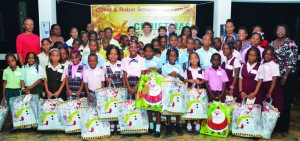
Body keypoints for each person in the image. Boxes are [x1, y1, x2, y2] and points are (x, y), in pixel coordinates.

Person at [270, 23, 298, 132]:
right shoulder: (273, 43)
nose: (280, 31)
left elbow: (291, 62)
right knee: (276, 101)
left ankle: (283, 126)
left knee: (285, 101)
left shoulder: (291, 43)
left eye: (283, 30)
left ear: (286, 31)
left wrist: (285, 76)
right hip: (275, 77)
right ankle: (274, 125)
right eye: (278, 30)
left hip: (286, 78)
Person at [161, 48, 184, 136]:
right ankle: (169, 125)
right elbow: (162, 78)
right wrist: (169, 75)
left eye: (174, 55)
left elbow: (183, 79)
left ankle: (177, 125)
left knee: (177, 106)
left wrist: (178, 75)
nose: (172, 57)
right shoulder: (164, 67)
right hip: (168, 91)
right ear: (167, 56)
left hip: (178, 90)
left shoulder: (179, 67)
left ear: (177, 57)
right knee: (169, 107)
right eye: (171, 55)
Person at [143, 44, 162, 138]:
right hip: (147, 86)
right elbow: (141, 73)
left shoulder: (158, 60)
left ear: (153, 52)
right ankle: (151, 125)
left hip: (157, 87)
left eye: (150, 51)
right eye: (146, 51)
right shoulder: (143, 61)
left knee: (157, 107)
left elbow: (162, 72)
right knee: (148, 106)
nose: (148, 53)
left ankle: (158, 127)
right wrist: (147, 70)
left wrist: (157, 70)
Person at [184, 52, 204, 135]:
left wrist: (200, 82)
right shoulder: (187, 70)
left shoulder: (201, 70)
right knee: (190, 107)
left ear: (198, 59)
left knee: (198, 107)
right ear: (189, 60)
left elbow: (203, 80)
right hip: (189, 92)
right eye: (191, 58)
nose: (194, 60)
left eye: (195, 58)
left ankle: (198, 124)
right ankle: (189, 123)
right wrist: (189, 80)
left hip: (199, 92)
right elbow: (184, 80)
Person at [261, 47, 284, 111]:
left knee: (272, 107)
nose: (267, 56)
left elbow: (274, 80)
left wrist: (269, 92)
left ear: (272, 56)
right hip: (263, 86)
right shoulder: (262, 63)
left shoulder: (274, 65)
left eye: (269, 54)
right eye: (266, 54)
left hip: (271, 87)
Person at [2, 53, 21, 131]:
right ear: (7, 62)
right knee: (10, 108)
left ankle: (19, 123)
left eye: (12, 60)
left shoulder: (21, 70)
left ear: (16, 60)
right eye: (9, 61)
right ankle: (12, 124)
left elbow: (22, 81)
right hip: (9, 90)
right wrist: (3, 94)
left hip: (18, 90)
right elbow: (4, 83)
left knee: (18, 107)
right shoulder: (6, 71)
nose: (11, 63)